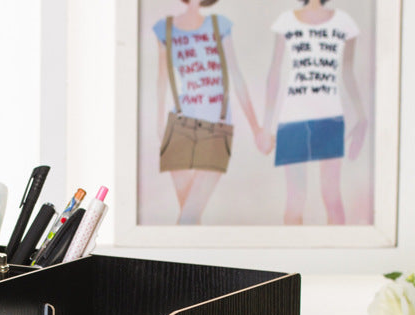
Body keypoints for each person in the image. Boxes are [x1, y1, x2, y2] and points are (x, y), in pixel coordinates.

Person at [153, 0, 265, 225]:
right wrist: (158, 121)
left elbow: (236, 76)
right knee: (189, 214)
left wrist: (256, 128)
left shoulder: (219, 25)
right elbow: (162, 78)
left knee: (189, 215)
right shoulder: (165, 28)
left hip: (217, 126)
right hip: (179, 127)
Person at [261, 0, 367, 225]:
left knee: (331, 196)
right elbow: (274, 73)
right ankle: (288, 259)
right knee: (295, 200)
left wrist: (362, 117)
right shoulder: (286, 21)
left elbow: (348, 72)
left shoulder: (344, 22)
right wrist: (266, 127)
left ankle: (337, 257)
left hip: (329, 117)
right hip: (292, 118)